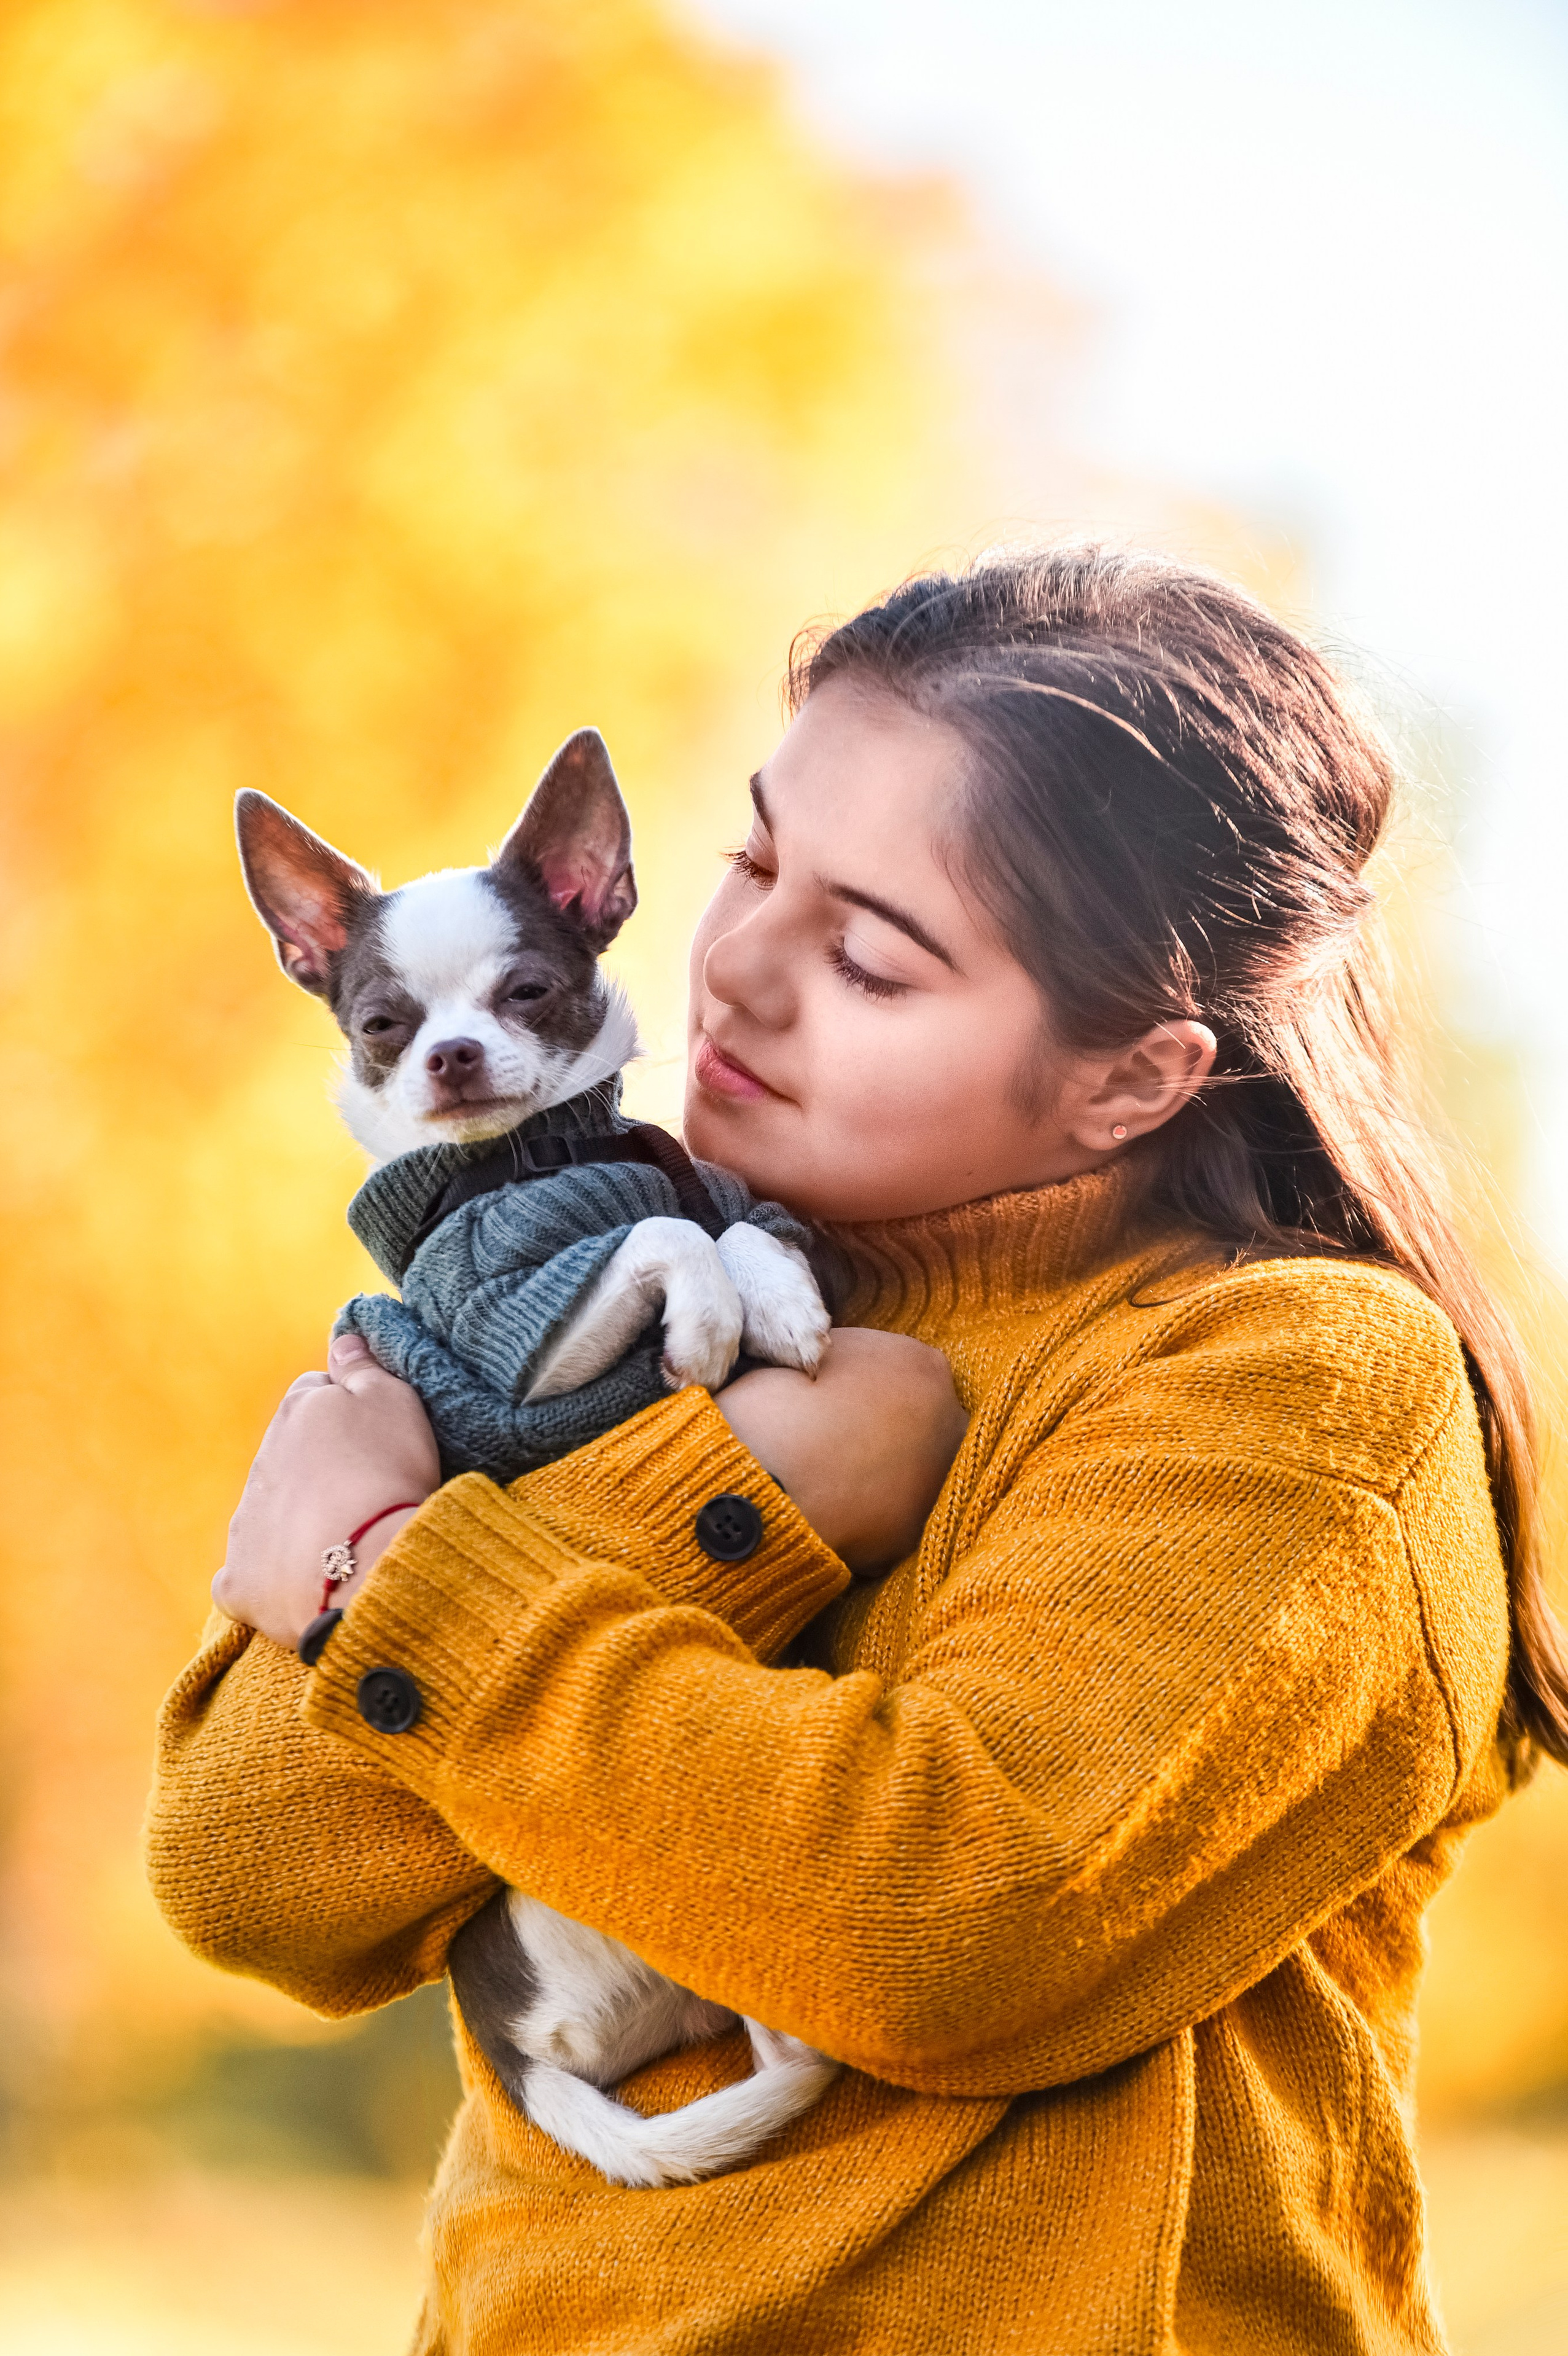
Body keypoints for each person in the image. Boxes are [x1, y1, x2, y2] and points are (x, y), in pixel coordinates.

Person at [147, 546, 1568, 2355]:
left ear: (1135, 1073)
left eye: (869, 957)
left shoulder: (1289, 1384)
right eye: (752, 858)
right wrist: (752, 1485)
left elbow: (944, 1920)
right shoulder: (613, 1270)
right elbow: (245, 1870)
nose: (735, 969)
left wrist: (389, 1575)